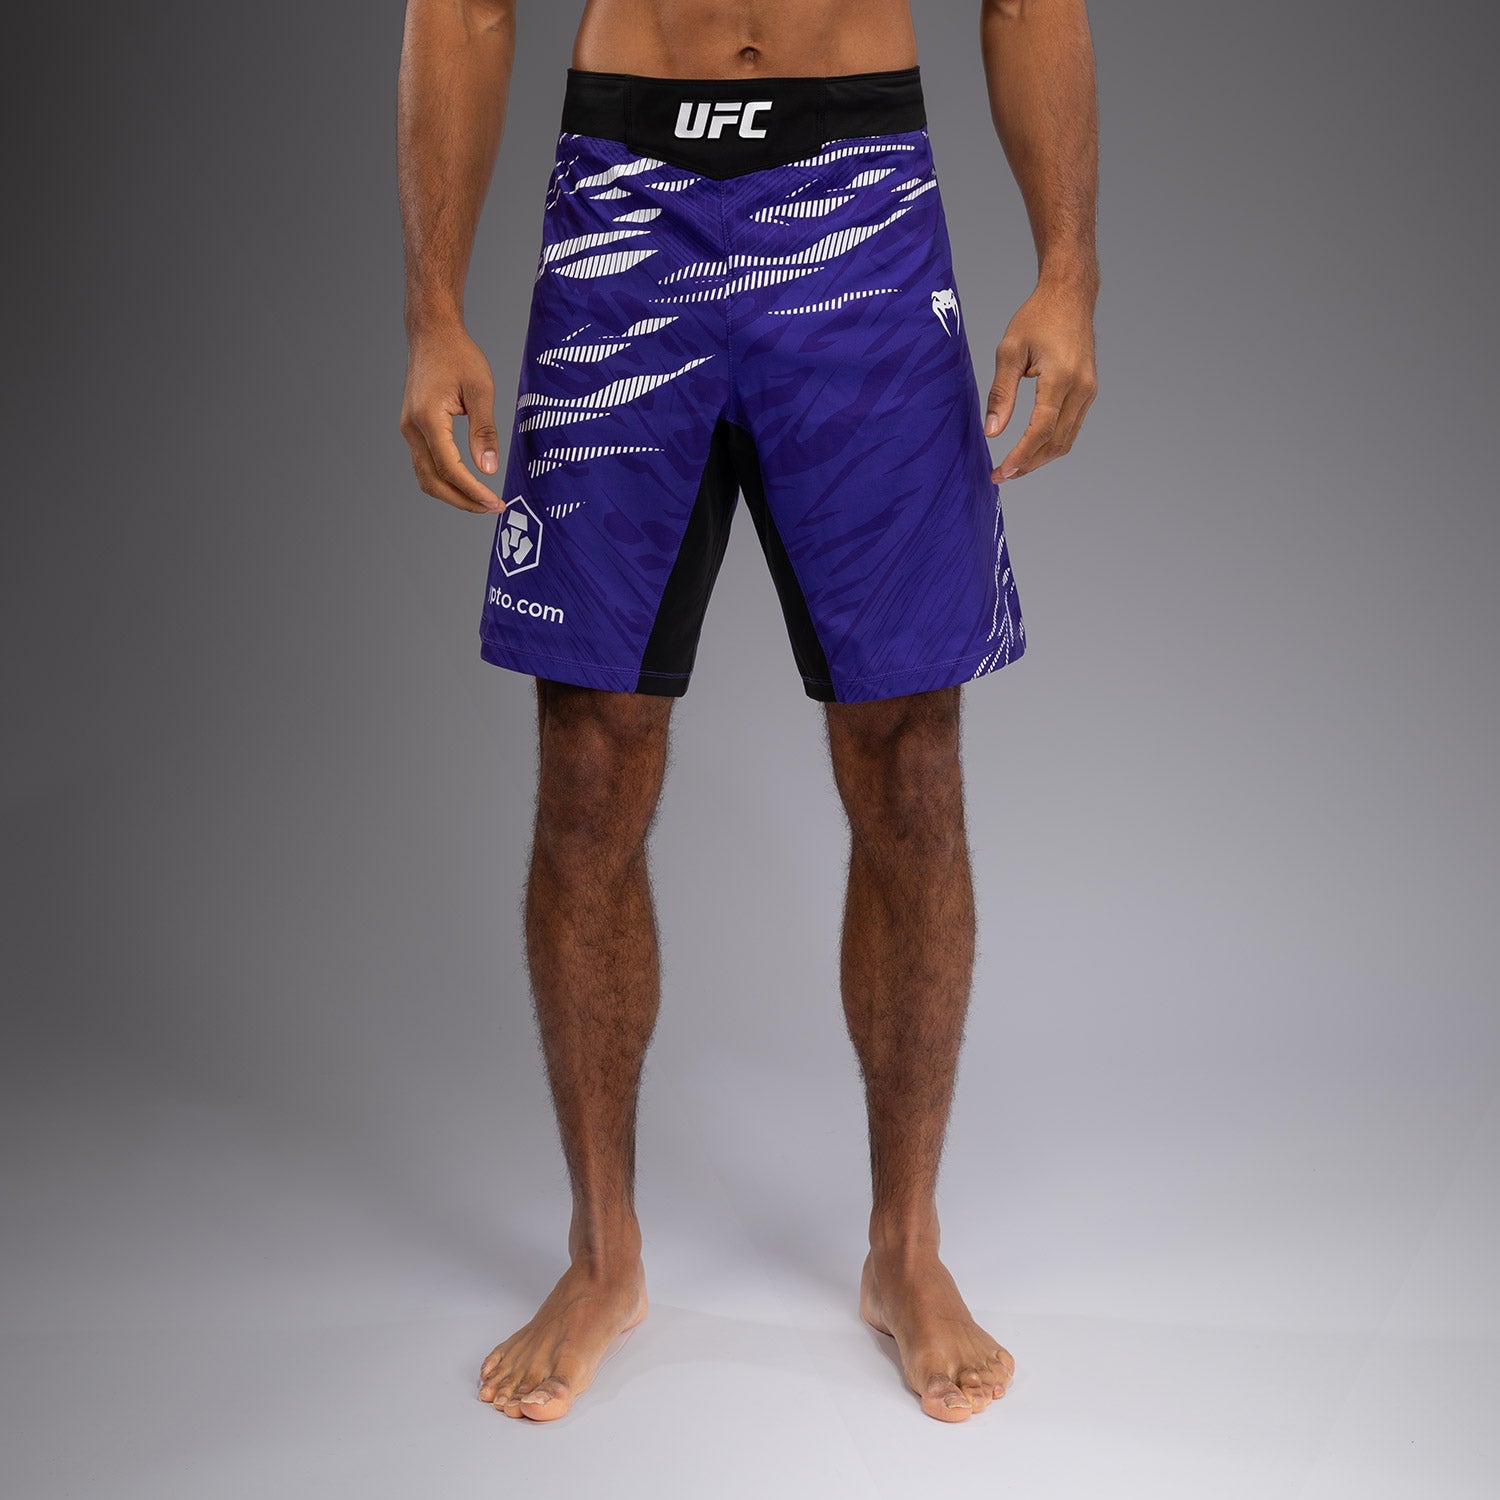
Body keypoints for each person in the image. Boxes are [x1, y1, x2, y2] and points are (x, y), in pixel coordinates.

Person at [397, 0, 1098, 1424]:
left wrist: (1069, 272)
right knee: (589, 763)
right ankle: (602, 1254)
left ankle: (906, 1248)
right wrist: (432, 313)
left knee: (909, 761)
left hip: (860, 208)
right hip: (624, 209)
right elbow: (462, 7)